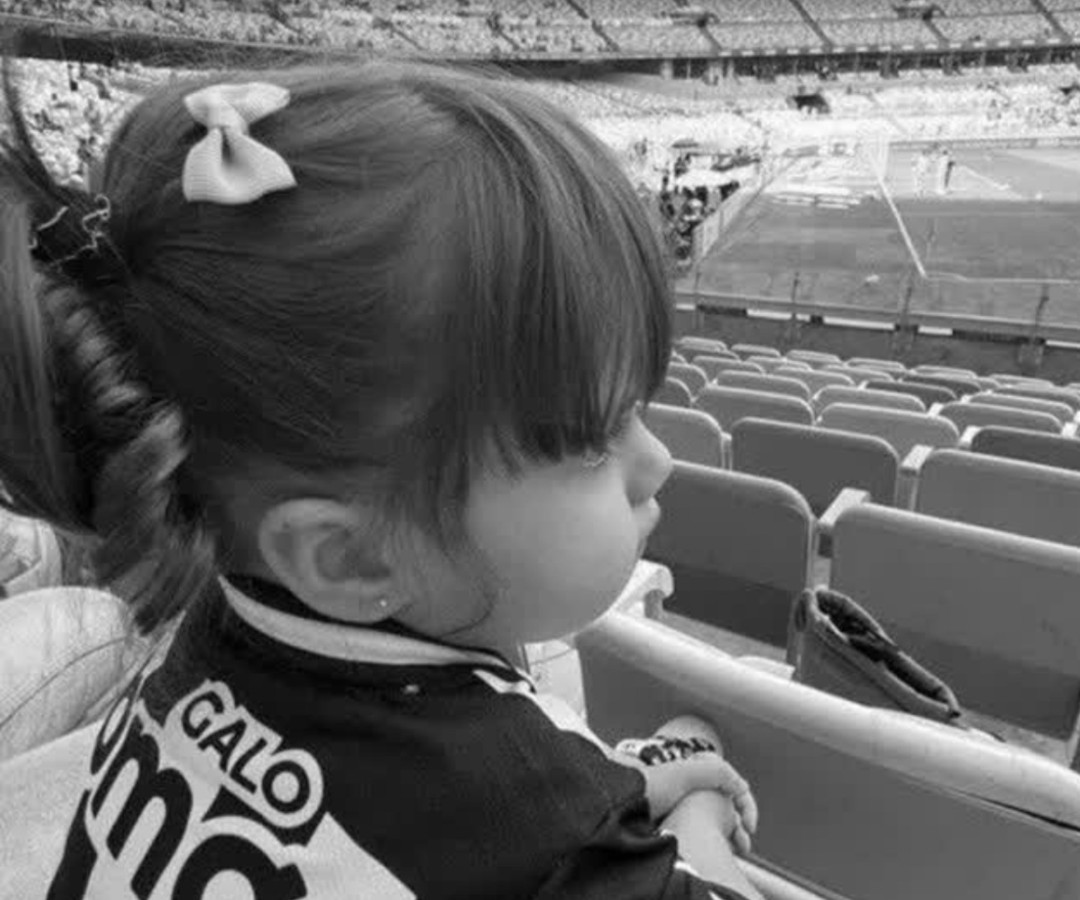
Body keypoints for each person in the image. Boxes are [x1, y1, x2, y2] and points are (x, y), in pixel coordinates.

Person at [0, 62, 761, 899]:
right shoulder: (558, 842)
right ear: (349, 559)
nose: (656, 462)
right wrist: (698, 818)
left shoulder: (222, 629)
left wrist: (618, 793)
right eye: (590, 440)